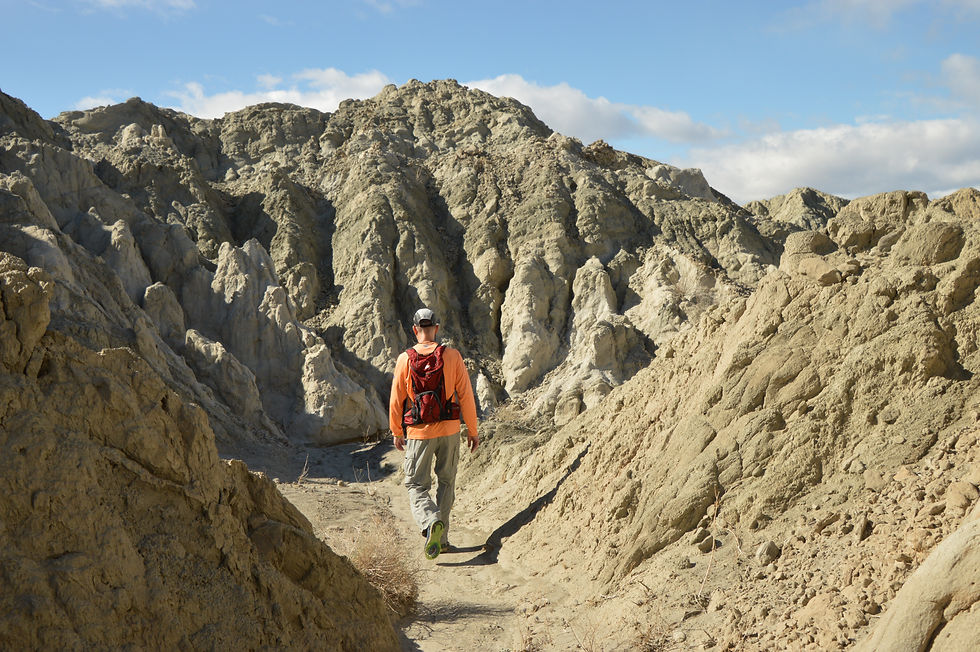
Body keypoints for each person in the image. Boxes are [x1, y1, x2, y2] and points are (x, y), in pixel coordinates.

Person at [389, 308, 479, 560]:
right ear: (436, 329)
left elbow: (396, 399)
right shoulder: (452, 356)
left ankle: (430, 523)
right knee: (447, 482)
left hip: (419, 433)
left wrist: (397, 430)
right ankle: (444, 539)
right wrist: (472, 430)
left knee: (416, 484)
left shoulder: (405, 359)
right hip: (450, 429)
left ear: (415, 329)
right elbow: (466, 395)